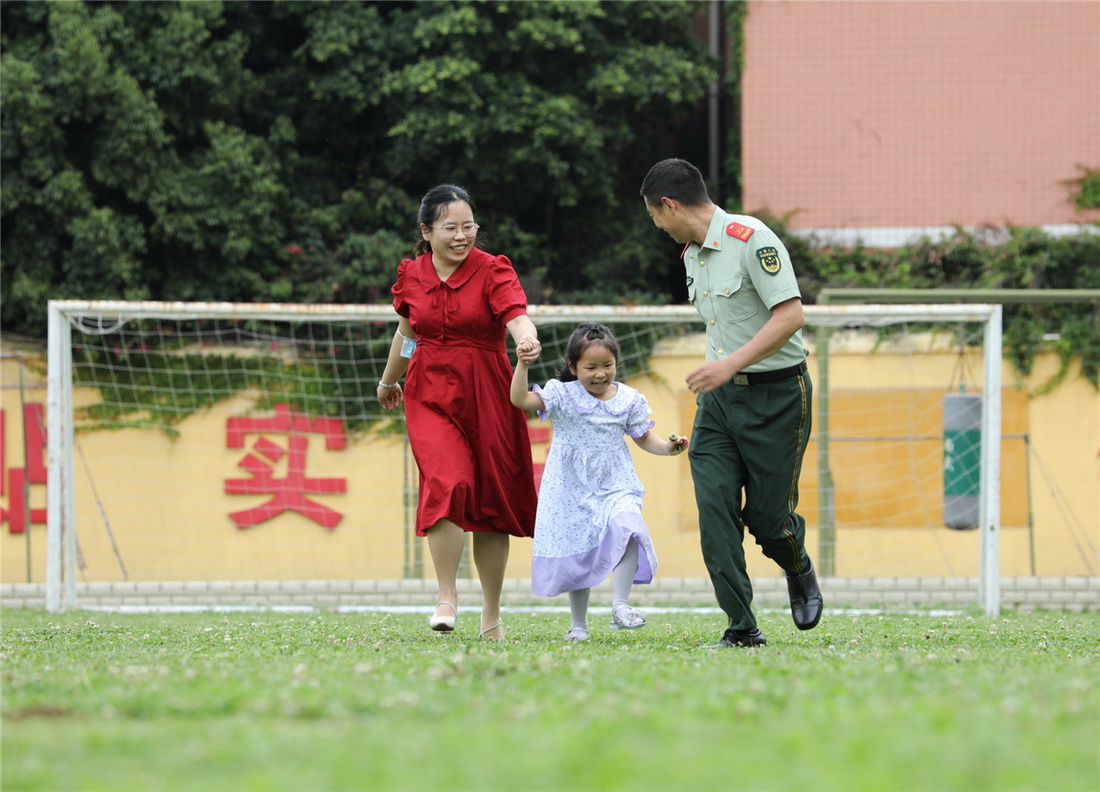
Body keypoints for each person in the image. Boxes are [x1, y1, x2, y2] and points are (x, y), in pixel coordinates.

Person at [639, 158, 823, 648]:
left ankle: (796, 563)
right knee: (714, 510)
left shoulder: (753, 240)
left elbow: (791, 315)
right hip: (719, 406)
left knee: (768, 521)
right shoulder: (692, 254)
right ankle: (741, 627)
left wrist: (728, 364)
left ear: (671, 205)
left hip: (779, 397)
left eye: (656, 216)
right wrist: (721, 374)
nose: (656, 225)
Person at [377, 184, 541, 641]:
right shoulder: (412, 275)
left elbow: (516, 316)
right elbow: (407, 334)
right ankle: (446, 596)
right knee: (447, 482)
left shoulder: (493, 270)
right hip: (429, 391)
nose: (461, 236)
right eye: (450, 227)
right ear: (427, 231)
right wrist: (390, 380)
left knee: (492, 500)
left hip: (489, 391)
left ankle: (491, 615)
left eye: (468, 226)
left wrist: (525, 338)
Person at [511, 323, 689, 641]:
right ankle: (578, 627)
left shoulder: (629, 399)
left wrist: (668, 448)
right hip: (570, 487)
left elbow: (644, 436)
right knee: (579, 551)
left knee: (630, 528)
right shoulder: (561, 394)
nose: (600, 374)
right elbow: (520, 400)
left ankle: (621, 606)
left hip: (615, 482)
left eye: (607, 365)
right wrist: (523, 364)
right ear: (572, 366)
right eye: (590, 367)